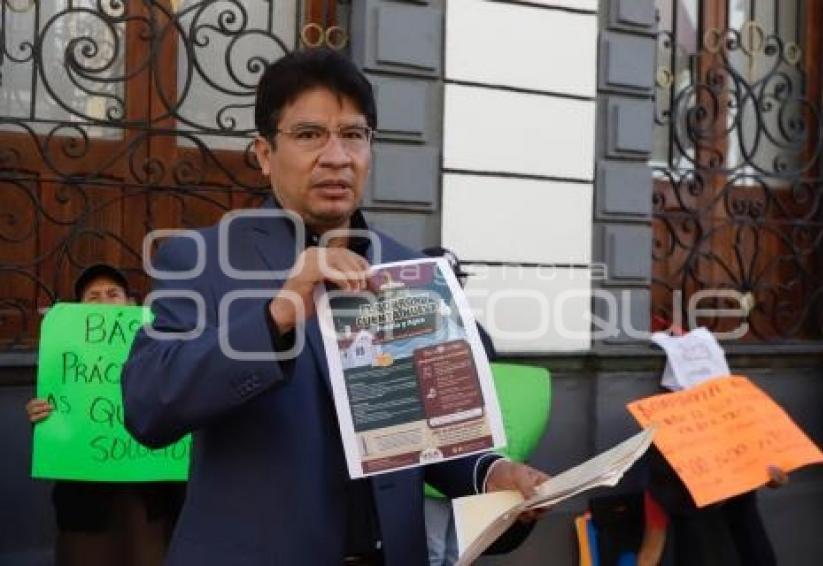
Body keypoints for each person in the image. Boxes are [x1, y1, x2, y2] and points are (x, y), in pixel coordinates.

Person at [121, 47, 549, 566]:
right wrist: (274, 318)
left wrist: (490, 474)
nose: (336, 156)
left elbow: (428, 438)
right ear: (262, 153)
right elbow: (148, 408)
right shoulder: (201, 258)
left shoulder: (410, 271)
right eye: (308, 135)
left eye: (353, 135)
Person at [26, 264, 183, 566]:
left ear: (131, 304)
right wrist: (41, 415)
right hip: (86, 501)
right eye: (93, 296)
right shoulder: (62, 358)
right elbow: (57, 424)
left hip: (148, 495)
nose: (104, 301)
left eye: (113, 294)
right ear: (79, 309)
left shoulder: (160, 348)